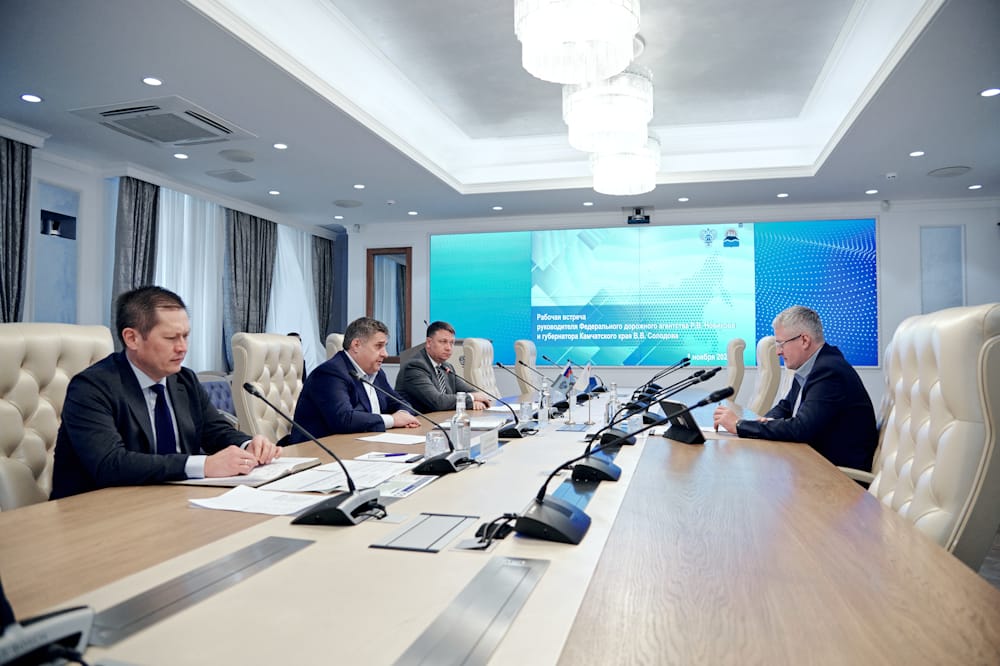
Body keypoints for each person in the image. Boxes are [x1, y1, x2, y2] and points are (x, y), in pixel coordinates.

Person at [51, 286, 281, 499]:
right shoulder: (91, 387)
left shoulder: (184, 380)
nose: (182, 347)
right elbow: (110, 464)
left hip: (174, 500)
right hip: (100, 509)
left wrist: (247, 445)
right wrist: (203, 465)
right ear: (132, 338)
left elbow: (216, 432)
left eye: (186, 336)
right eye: (171, 338)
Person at [712, 305, 878, 470]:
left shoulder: (829, 372)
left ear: (804, 340)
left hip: (837, 475)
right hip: (814, 463)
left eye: (781, 344)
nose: (778, 352)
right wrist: (761, 422)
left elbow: (801, 428)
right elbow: (785, 407)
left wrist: (739, 425)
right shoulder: (813, 366)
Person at [290, 317, 420, 440]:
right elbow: (344, 419)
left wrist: (404, 414)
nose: (385, 354)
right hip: (318, 449)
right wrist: (393, 420)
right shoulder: (330, 373)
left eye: (385, 346)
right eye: (378, 346)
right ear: (356, 345)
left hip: (364, 444)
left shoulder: (376, 373)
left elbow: (401, 403)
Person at [395, 321, 493, 413]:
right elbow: (438, 402)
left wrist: (476, 400)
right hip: (418, 422)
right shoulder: (415, 367)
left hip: (441, 419)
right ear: (429, 342)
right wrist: (472, 399)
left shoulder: (446, 367)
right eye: (443, 342)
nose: (448, 348)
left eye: (451, 343)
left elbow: (472, 392)